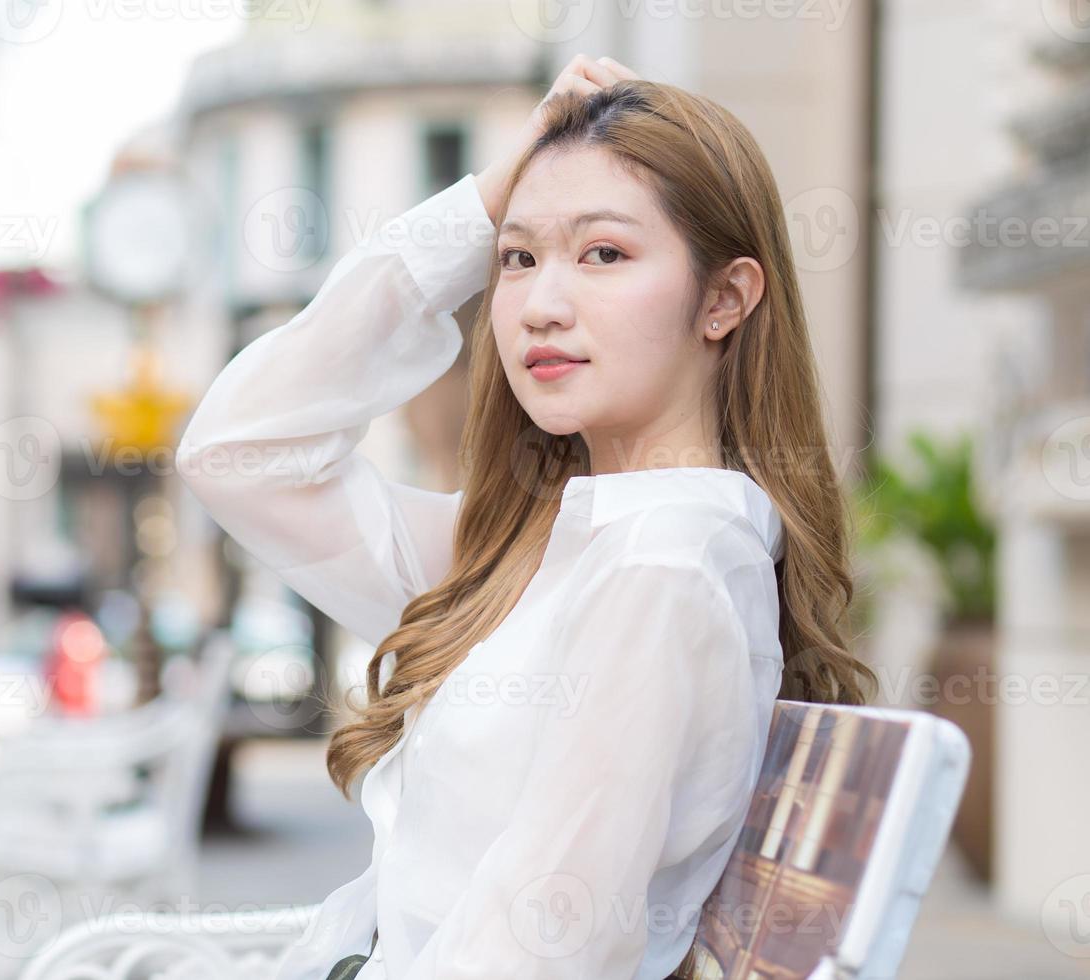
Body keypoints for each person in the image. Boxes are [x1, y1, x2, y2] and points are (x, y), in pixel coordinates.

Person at [173, 55, 878, 980]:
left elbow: (540, 952)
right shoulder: (538, 549)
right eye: (517, 258)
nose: (541, 306)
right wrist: (484, 199)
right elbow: (235, 453)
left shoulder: (661, 567)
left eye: (604, 254)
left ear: (724, 299)